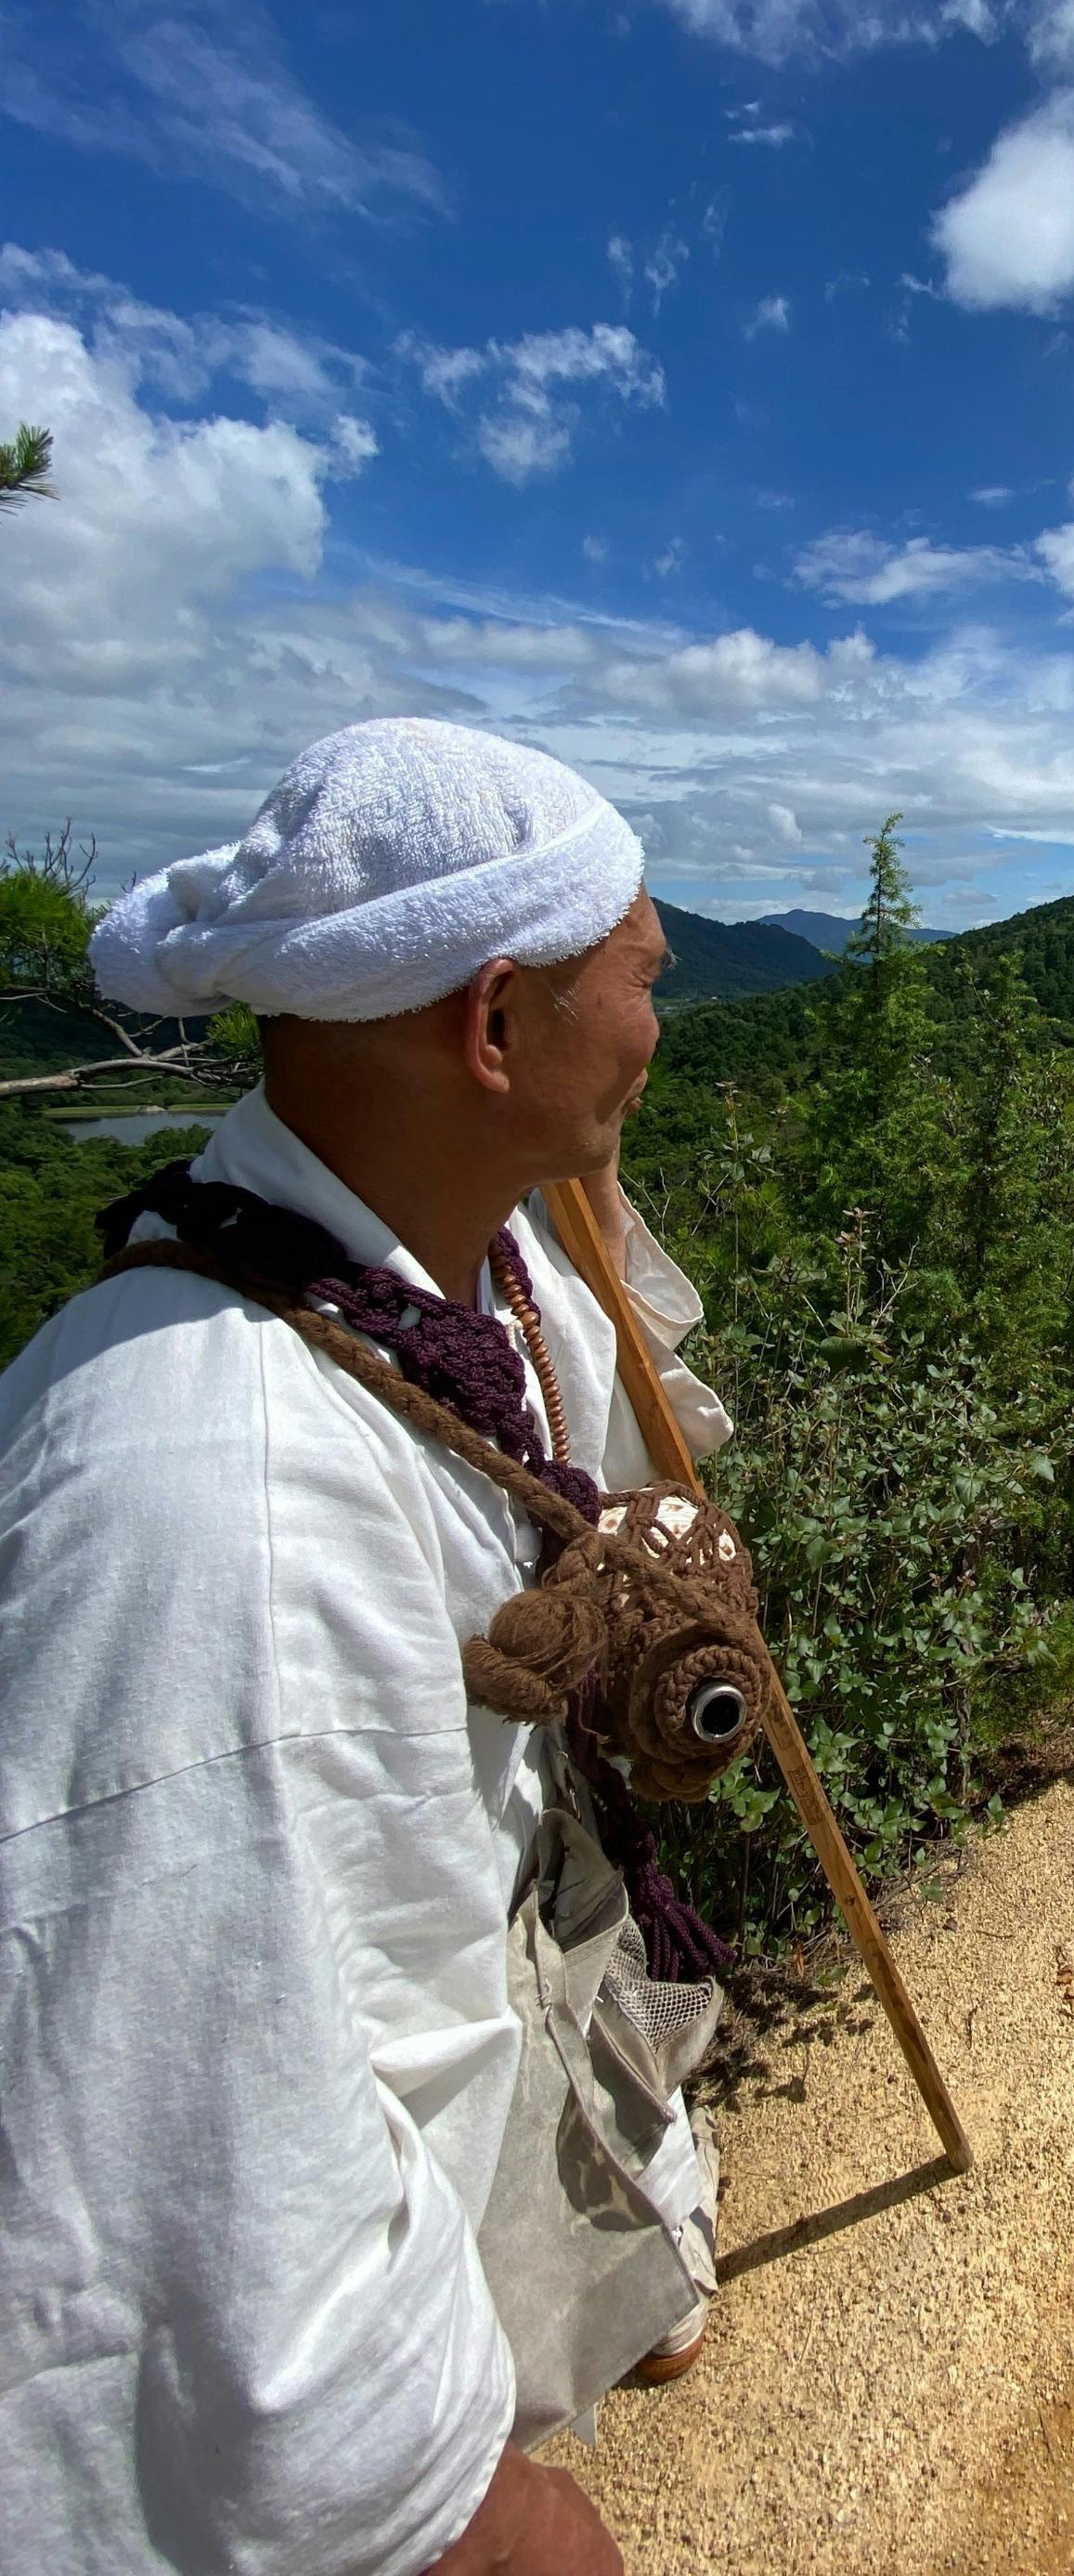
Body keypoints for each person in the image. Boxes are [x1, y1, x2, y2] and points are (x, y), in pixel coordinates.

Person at [0, 719, 740, 2575]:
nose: (660, 1029)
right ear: (496, 1029)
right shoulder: (203, 1488)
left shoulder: (487, 1249)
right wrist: (438, 2514)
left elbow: (601, 1454)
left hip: (502, 1940)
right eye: (642, 978)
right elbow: (186, 2131)